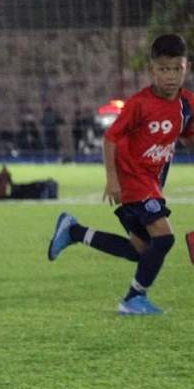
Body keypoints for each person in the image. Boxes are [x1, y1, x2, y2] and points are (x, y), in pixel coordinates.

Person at [48, 33, 192, 315]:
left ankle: (75, 231)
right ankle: (133, 298)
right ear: (152, 70)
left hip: (151, 182)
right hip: (134, 179)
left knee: (140, 249)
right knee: (164, 237)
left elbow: (187, 132)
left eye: (177, 68)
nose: (171, 76)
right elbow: (110, 137)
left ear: (186, 67)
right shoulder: (139, 104)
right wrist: (112, 178)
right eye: (163, 69)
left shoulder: (187, 102)